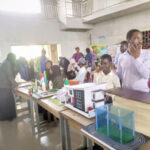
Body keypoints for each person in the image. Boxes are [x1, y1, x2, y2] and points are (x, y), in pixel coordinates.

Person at [0, 53, 18, 121]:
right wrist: (15, 85)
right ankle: (9, 117)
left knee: (5, 102)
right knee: (8, 102)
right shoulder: (7, 64)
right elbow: (9, 76)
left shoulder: (5, 62)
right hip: (4, 86)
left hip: (2, 86)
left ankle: (6, 117)